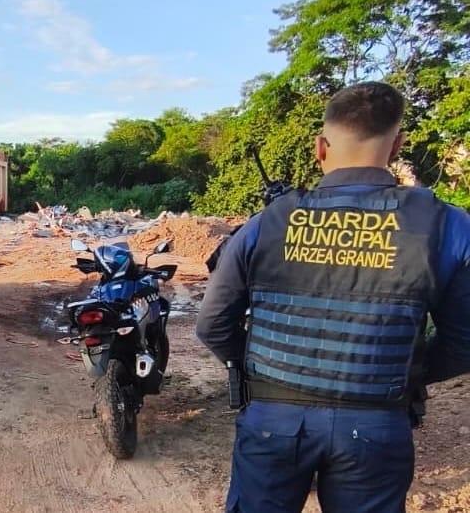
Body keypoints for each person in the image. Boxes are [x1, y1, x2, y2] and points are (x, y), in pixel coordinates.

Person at [196, 81, 470, 513]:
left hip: (274, 418)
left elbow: (213, 323)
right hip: (377, 424)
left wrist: (262, 369)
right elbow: (463, 342)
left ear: (320, 147)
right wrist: (401, 374)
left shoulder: (267, 223)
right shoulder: (447, 225)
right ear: (397, 145)